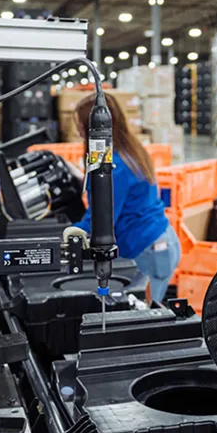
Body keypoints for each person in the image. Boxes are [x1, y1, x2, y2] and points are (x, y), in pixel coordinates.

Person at [69, 92, 180, 303]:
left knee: (144, 317)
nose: (78, 132)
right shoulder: (129, 150)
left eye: (81, 126)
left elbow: (102, 217)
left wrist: (69, 235)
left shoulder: (115, 166)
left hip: (149, 251)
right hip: (159, 242)